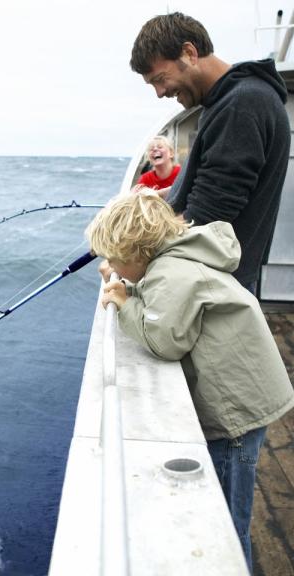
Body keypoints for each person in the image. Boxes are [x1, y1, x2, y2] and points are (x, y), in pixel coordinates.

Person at [86, 192, 294, 573]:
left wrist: (123, 302)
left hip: (236, 412)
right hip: (247, 395)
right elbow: (167, 307)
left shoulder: (173, 272)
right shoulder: (179, 259)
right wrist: (130, 288)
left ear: (138, 251)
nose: (110, 266)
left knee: (229, 525)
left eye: (115, 258)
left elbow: (165, 341)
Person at [130, 12, 290, 291]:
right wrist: (159, 195)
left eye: (160, 78)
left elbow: (207, 216)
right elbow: (212, 182)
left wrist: (130, 254)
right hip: (217, 278)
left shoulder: (241, 105)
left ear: (189, 53)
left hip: (217, 287)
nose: (159, 92)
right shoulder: (228, 101)